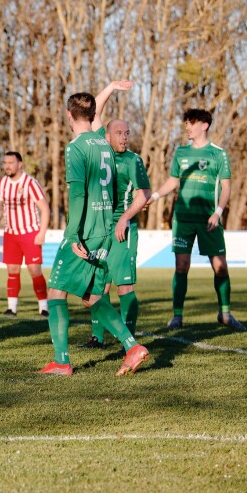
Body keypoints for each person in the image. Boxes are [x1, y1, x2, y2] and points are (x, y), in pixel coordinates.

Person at [40, 91, 149, 376]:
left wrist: (73, 233)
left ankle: (62, 362)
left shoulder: (76, 147)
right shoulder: (104, 144)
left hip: (84, 230)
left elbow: (77, 194)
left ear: (68, 115)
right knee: (91, 295)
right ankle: (131, 346)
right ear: (91, 116)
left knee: (56, 290)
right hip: (104, 230)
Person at [145, 108, 245, 331]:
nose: (187, 127)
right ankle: (177, 316)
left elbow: (227, 187)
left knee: (220, 267)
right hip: (183, 219)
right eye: (186, 123)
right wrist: (154, 196)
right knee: (182, 266)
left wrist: (218, 212)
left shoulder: (219, 154)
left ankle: (225, 314)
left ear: (204, 125)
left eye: (191, 122)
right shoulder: (181, 153)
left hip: (209, 219)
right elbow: (173, 182)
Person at [79, 81, 151, 348]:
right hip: (99, 229)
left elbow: (145, 193)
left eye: (127, 133)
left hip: (123, 230)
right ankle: (97, 337)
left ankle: (128, 342)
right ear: (106, 136)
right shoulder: (101, 150)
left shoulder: (134, 160)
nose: (124, 137)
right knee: (98, 286)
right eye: (119, 132)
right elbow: (94, 113)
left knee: (125, 286)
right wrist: (110, 87)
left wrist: (125, 217)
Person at [0, 151, 49, 317]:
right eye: (5, 163)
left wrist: (42, 232)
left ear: (20, 164)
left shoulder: (30, 183)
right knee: (12, 269)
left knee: (34, 269)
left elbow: (45, 208)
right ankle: (12, 308)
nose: (7, 166)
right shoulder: (1, 184)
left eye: (11, 162)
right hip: (11, 233)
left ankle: (44, 308)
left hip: (30, 232)